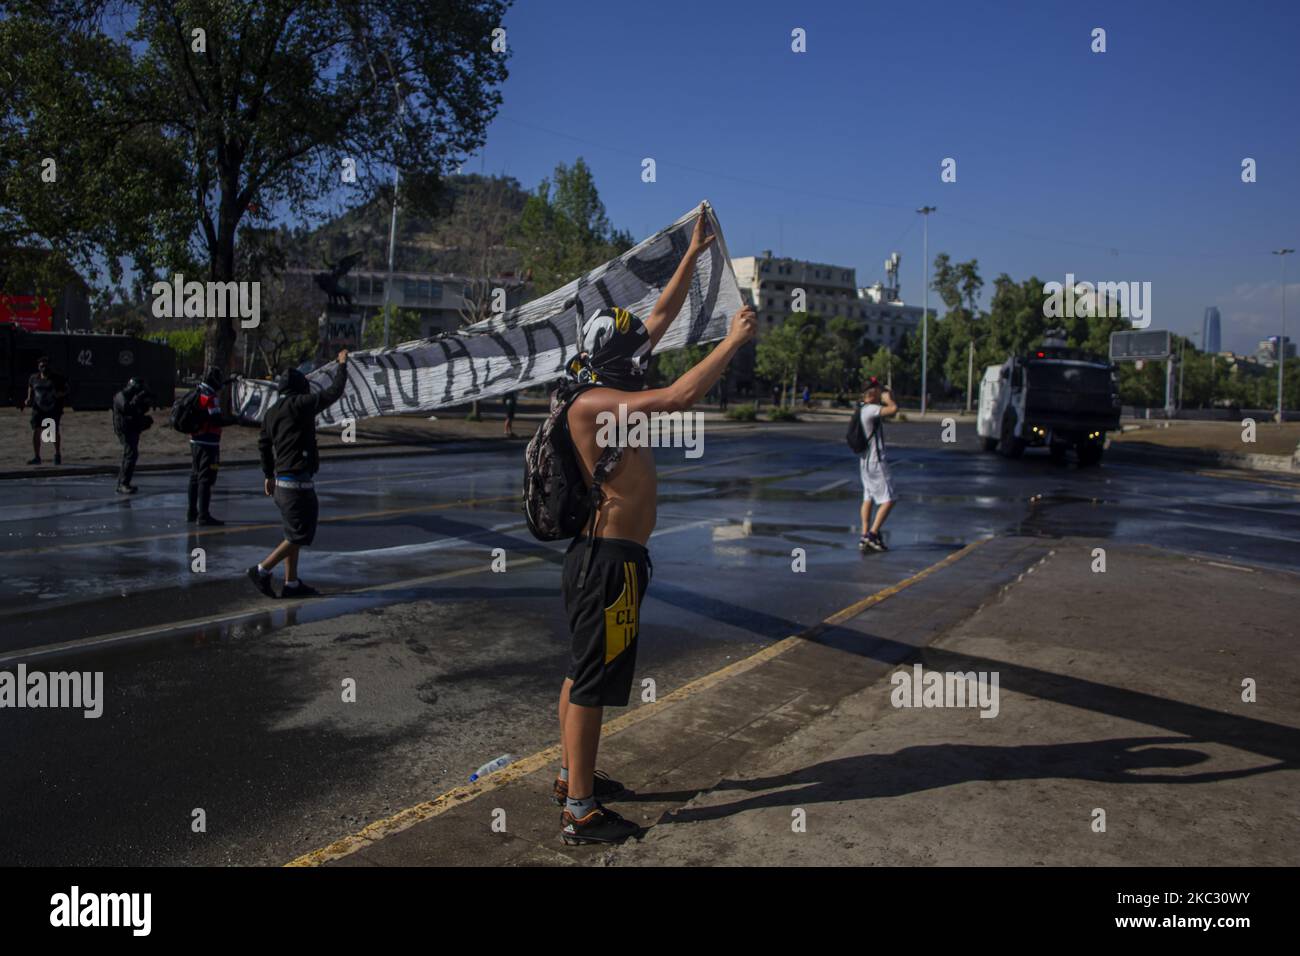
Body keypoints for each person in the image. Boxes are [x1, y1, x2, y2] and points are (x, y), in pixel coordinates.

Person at [554, 212, 756, 846]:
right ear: (616, 360)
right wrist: (731, 341)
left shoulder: (606, 374)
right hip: (605, 560)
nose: (646, 350)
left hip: (613, 558)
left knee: (583, 669)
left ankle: (570, 777)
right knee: (592, 679)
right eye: (635, 350)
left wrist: (692, 253)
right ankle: (580, 811)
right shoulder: (592, 403)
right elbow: (675, 399)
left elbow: (660, 320)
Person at [247, 351, 349, 599]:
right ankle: (261, 570)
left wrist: (268, 474)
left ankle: (291, 584)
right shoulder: (300, 405)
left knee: (291, 534)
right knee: (300, 535)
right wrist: (342, 366)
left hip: (281, 484)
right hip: (296, 486)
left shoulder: (271, 413)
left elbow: (263, 445)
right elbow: (333, 392)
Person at [187, 366, 237, 526]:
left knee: (195, 477)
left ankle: (191, 512)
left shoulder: (198, 391)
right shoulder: (210, 397)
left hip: (195, 440)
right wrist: (235, 420)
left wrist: (230, 380)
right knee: (205, 479)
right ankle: (204, 515)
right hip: (209, 442)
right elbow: (216, 419)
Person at [857, 377, 899, 553]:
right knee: (889, 499)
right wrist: (889, 399)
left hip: (865, 461)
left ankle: (864, 533)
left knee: (868, 497)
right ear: (872, 393)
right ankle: (872, 534)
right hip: (876, 461)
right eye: (878, 390)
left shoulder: (861, 408)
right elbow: (893, 409)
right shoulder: (871, 409)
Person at [21, 355, 68, 465]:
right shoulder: (34, 378)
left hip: (52, 408)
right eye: (42, 366)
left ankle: (57, 454)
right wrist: (28, 398)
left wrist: (59, 394)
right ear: (38, 367)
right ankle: (37, 456)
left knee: (53, 432)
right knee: (36, 430)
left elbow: (67, 389)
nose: (44, 368)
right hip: (38, 408)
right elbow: (30, 386)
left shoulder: (56, 378)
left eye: (46, 366)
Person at [111, 377, 154, 494]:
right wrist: (137, 399)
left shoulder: (131, 397)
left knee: (130, 455)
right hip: (124, 429)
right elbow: (127, 409)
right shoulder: (121, 396)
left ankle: (123, 483)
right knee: (130, 454)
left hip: (132, 428)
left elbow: (138, 410)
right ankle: (123, 484)